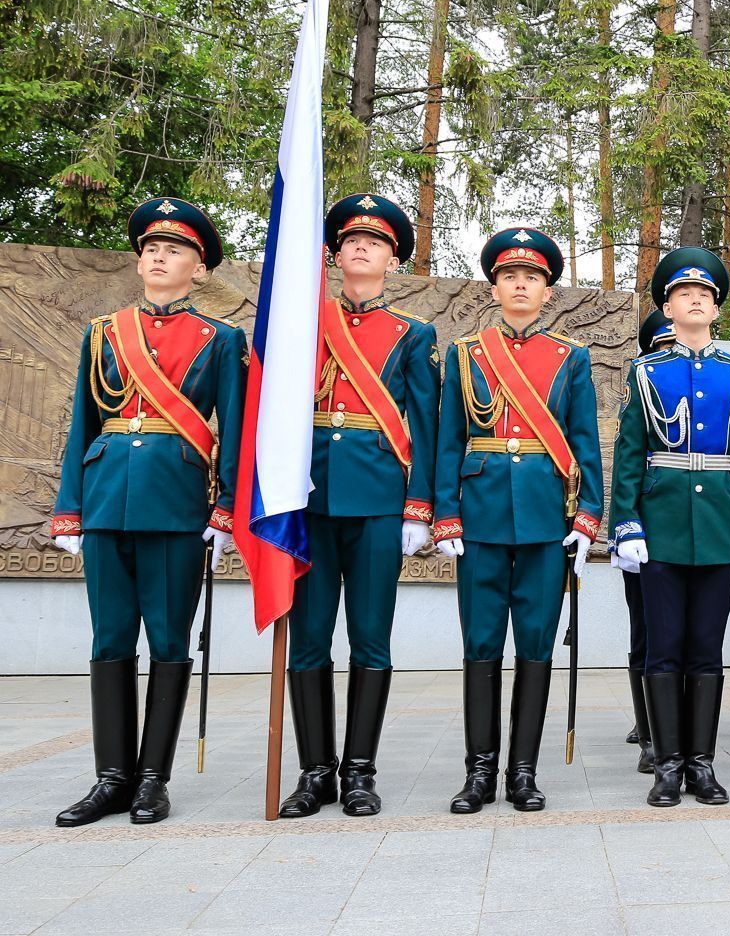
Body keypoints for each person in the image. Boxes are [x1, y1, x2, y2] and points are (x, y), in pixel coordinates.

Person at [51, 198, 243, 827]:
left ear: (199, 269)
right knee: (109, 640)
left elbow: (233, 433)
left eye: (175, 251)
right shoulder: (104, 333)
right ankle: (111, 778)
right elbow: (83, 424)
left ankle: (152, 780)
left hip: (176, 505)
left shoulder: (222, 340)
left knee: (167, 641)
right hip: (107, 499)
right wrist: (70, 509)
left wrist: (224, 510)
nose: (160, 258)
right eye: (152, 250)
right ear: (139, 262)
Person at [279, 194, 439, 820]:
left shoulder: (413, 335)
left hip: (377, 502)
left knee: (371, 639)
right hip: (309, 499)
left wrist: (418, 507)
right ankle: (314, 771)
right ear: (335, 255)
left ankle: (359, 772)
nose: (362, 248)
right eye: (351, 241)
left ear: (393, 261)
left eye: (376, 243)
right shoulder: (302, 321)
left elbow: (425, 425)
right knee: (309, 640)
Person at [433, 227, 602, 813]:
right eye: (510, 276)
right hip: (480, 517)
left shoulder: (570, 357)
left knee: (535, 643)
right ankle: (479, 772)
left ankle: (523, 772)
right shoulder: (465, 353)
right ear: (495, 288)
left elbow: (585, 441)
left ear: (548, 291)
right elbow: (450, 439)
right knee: (481, 643)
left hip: (545, 517)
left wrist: (587, 515)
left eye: (532, 277)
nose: (521, 285)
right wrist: (446, 514)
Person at [612, 248, 730, 807]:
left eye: (705, 294)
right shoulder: (646, 372)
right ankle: (667, 765)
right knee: (663, 649)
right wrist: (626, 523)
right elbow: (630, 452)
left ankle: (702, 764)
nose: (695, 300)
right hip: (662, 525)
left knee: (706, 648)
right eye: (684, 294)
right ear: (668, 308)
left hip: (720, 525)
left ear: (716, 309)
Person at [616, 308, 678, 776]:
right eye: (664, 346)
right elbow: (628, 463)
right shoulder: (641, 386)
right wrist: (626, 527)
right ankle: (650, 732)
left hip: (691, 528)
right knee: (646, 634)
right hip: (647, 532)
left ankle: (678, 731)